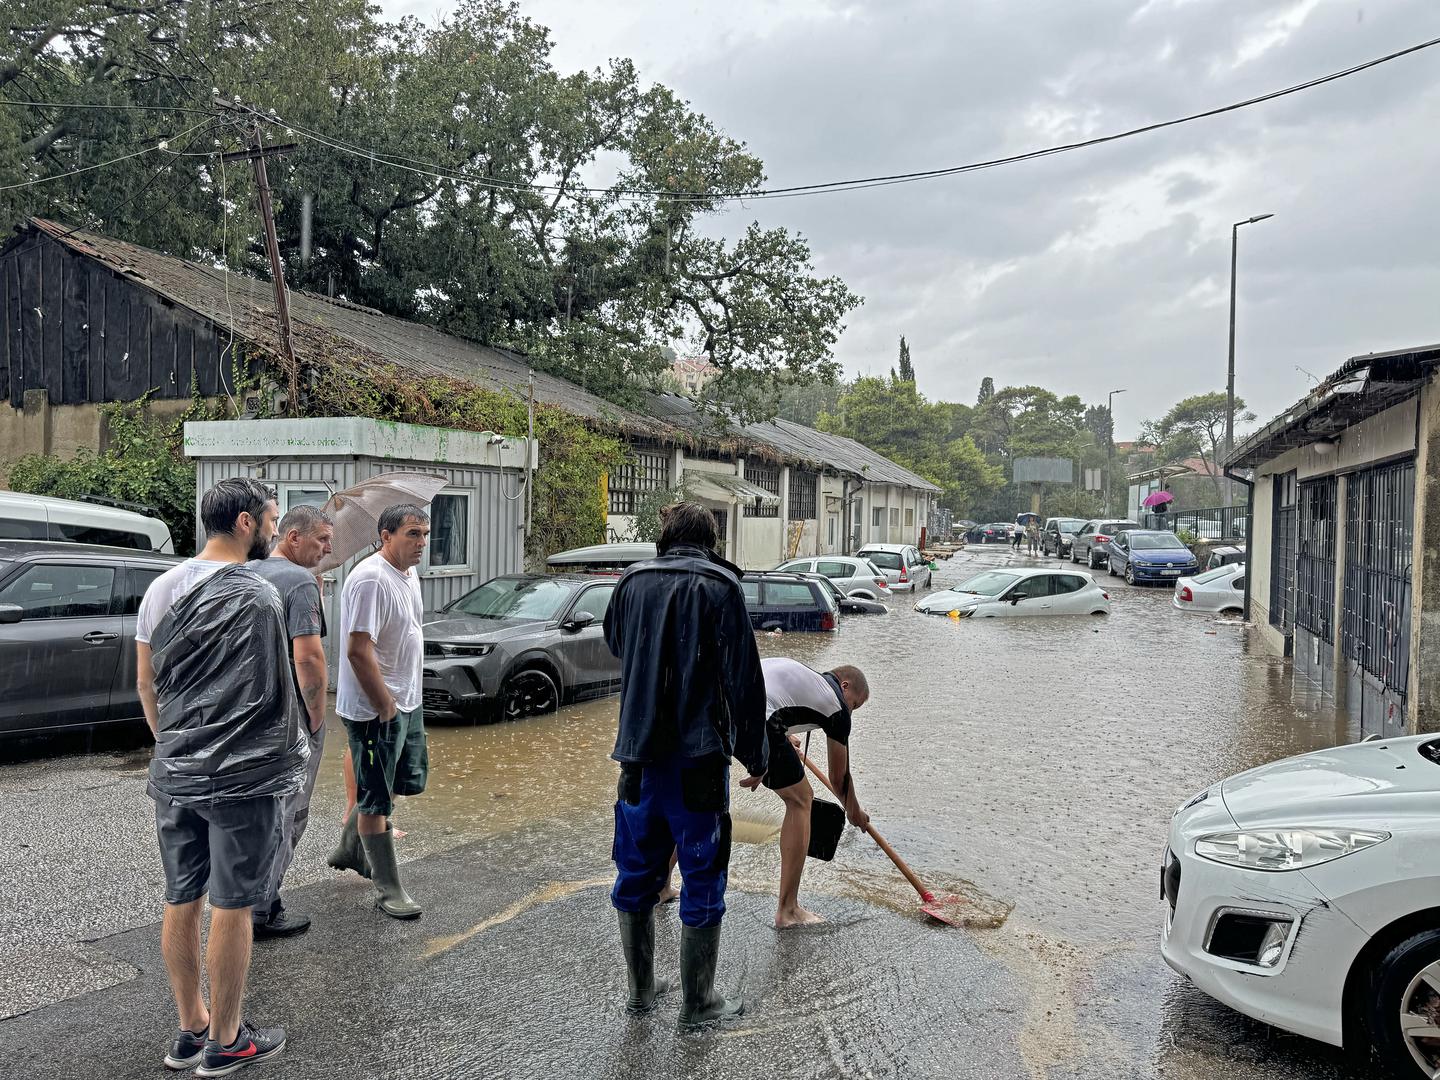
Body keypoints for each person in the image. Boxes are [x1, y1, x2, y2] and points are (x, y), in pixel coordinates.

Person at [135, 478, 307, 1076]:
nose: (274, 530)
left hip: (176, 769)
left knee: (182, 897)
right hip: (242, 780)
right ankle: (227, 1041)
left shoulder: (159, 589)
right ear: (244, 522)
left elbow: (147, 685)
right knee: (232, 904)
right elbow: (270, 695)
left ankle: (191, 1029)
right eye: (270, 520)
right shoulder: (258, 596)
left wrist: (176, 750)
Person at [604, 502, 768, 1027]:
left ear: (665, 537)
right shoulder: (721, 587)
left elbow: (615, 643)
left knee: (635, 872)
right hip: (698, 762)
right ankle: (697, 1004)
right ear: (711, 540)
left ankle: (641, 991)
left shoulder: (631, 582)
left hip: (637, 757)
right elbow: (745, 681)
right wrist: (757, 757)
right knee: (702, 875)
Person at [328, 504, 430, 919]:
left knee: (396, 784)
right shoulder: (370, 579)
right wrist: (385, 705)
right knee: (375, 801)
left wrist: (404, 700)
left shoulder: (408, 572)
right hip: (377, 709)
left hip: (407, 699)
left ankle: (350, 847)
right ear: (385, 536)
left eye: (424, 533)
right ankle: (388, 888)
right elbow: (357, 651)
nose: (421, 542)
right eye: (412, 534)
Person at [249, 504, 335, 939]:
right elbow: (308, 656)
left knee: (259, 811)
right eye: (321, 539)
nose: (328, 548)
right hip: (290, 717)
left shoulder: (250, 571)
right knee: (290, 812)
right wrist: (317, 718)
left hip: (250, 712)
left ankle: (241, 901)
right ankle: (263, 909)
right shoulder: (299, 581)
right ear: (293, 537)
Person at [738, 658, 869, 928]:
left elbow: (774, 698)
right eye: (854, 704)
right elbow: (839, 779)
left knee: (701, 795)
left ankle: (661, 886)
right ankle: (788, 910)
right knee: (801, 799)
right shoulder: (836, 706)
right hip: (756, 716)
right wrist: (855, 812)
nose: (850, 713)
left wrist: (785, 740)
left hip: (718, 701)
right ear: (844, 686)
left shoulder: (808, 680)